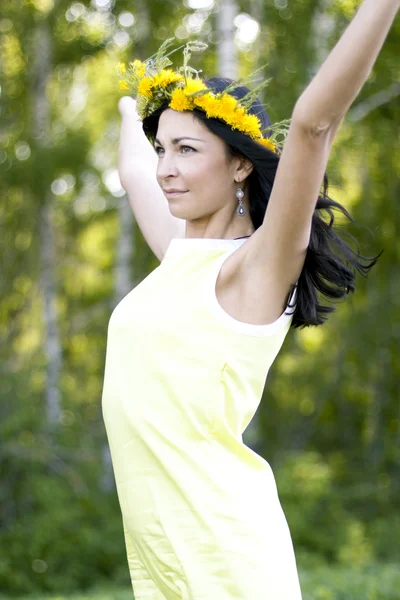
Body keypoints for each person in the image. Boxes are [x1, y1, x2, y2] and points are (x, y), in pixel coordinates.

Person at [102, 2, 399, 598]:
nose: (167, 168)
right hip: (163, 561)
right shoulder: (178, 257)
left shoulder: (254, 268)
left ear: (240, 164)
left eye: (187, 150)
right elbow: (136, 173)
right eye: (164, 149)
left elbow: (314, 124)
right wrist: (135, 106)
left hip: (226, 558)